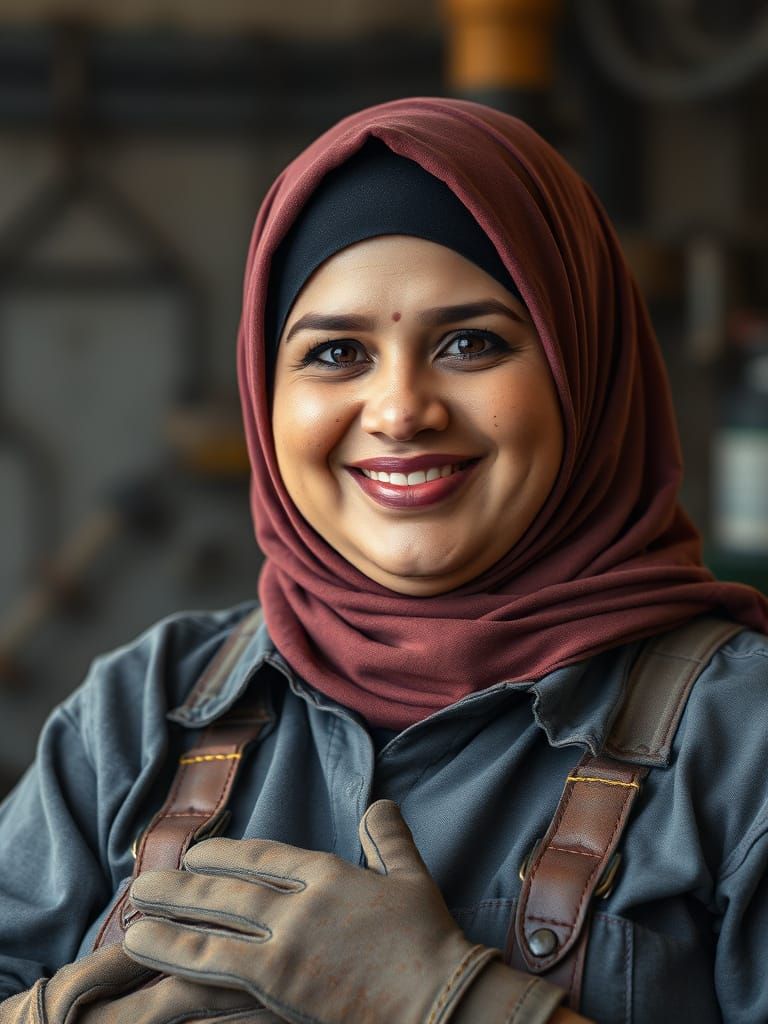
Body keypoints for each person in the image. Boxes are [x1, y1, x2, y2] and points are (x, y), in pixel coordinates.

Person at [1, 97, 767, 1024]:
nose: (401, 409)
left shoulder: (741, 743)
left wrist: (458, 1004)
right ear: (263, 395)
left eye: (470, 342)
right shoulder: (138, 714)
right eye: (335, 353)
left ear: (582, 368)